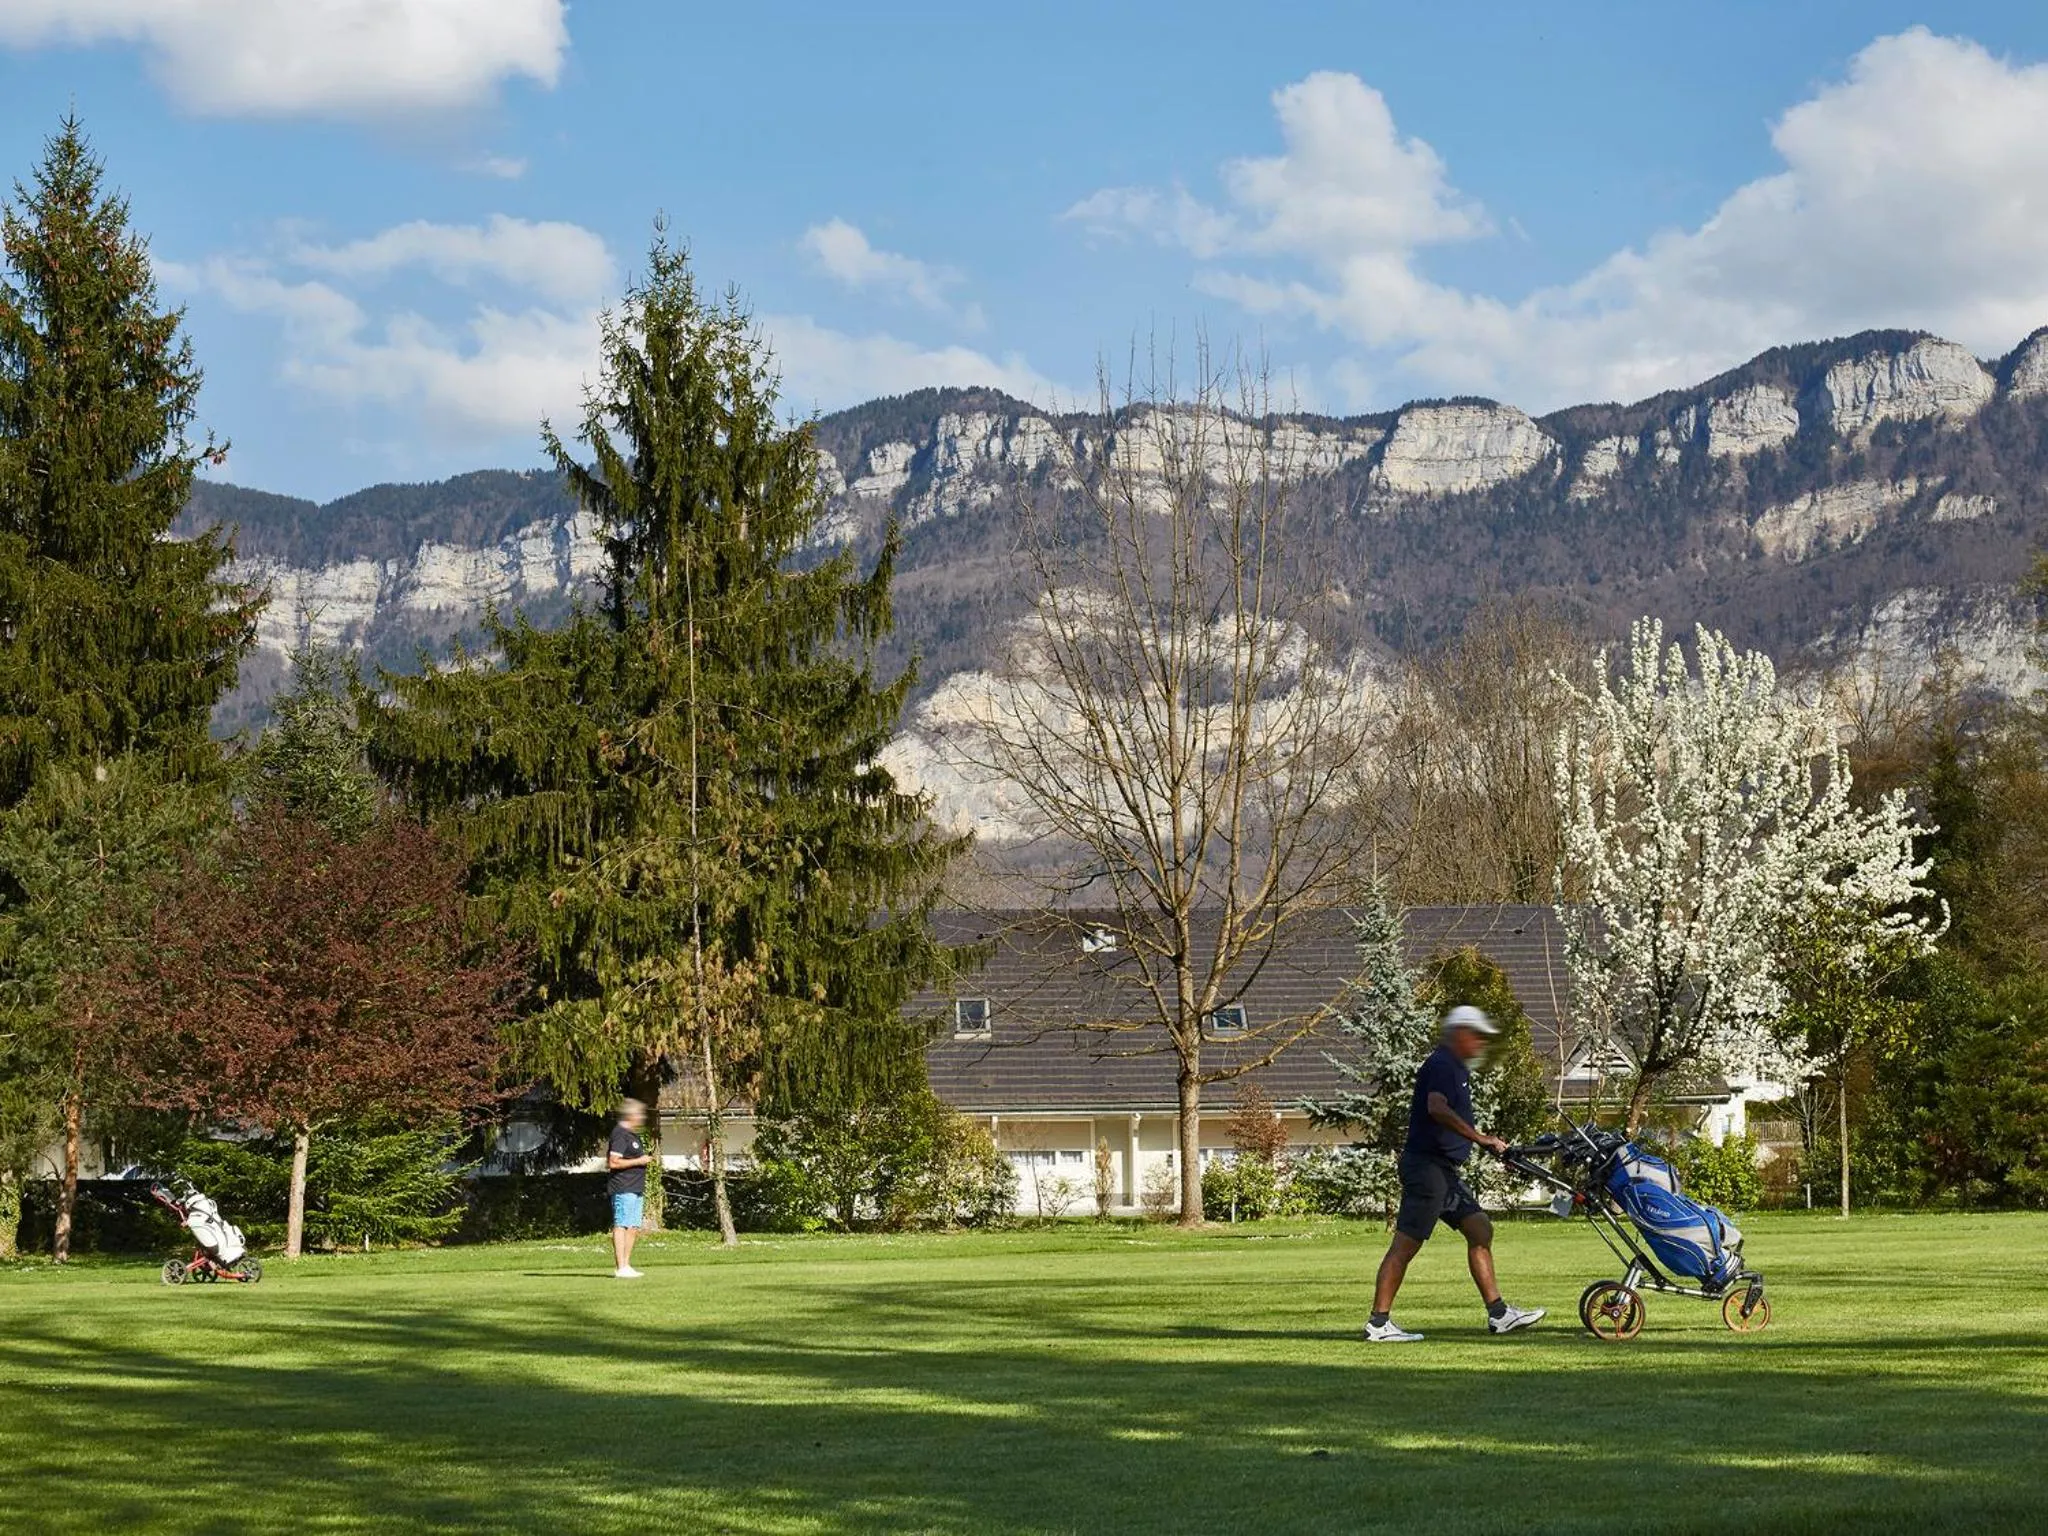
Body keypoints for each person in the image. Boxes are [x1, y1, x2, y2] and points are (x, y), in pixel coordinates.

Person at [1363, 1005, 1545, 1342]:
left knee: (1480, 1230)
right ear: (1460, 1033)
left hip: (1443, 1171)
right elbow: (1436, 1107)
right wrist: (1480, 1138)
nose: (1479, 1044)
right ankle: (1378, 1323)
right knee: (1406, 1245)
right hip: (1427, 1169)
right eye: (1476, 1036)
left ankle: (1499, 1314)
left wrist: (1483, 1144)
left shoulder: (1455, 1067)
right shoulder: (1443, 1064)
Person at [607, 1098, 653, 1279]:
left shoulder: (633, 1135)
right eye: (639, 1114)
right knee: (622, 1224)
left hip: (636, 1187)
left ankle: (627, 1264)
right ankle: (620, 1267)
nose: (641, 1118)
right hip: (623, 1187)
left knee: (633, 1226)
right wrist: (639, 1161)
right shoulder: (620, 1134)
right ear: (631, 1115)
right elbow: (613, 1162)